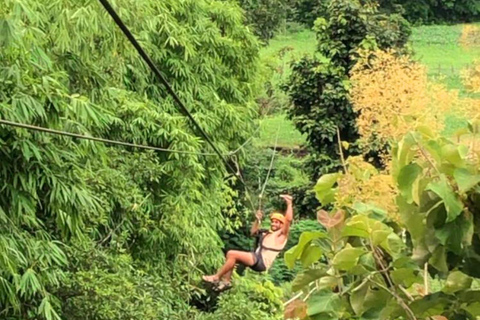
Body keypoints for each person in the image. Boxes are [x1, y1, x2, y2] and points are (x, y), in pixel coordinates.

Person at [202, 194, 293, 290]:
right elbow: (253, 232)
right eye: (273, 221)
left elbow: (288, 220)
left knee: (232, 254)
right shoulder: (266, 233)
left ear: (281, 225)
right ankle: (226, 281)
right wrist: (257, 220)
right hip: (256, 258)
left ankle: (216, 277)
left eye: (277, 222)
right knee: (231, 255)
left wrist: (289, 204)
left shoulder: (281, 235)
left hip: (261, 262)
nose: (273, 224)